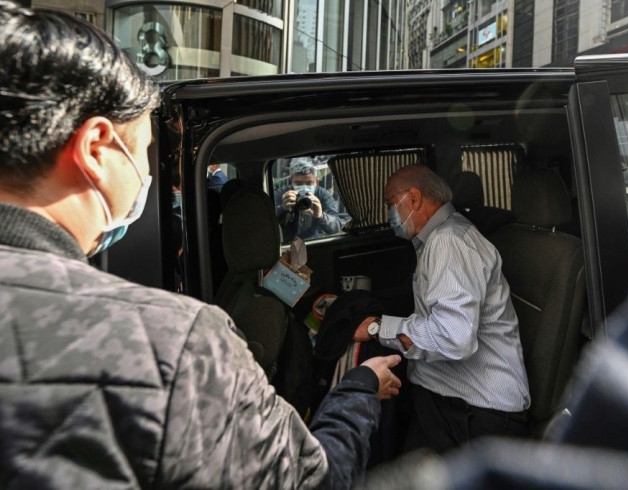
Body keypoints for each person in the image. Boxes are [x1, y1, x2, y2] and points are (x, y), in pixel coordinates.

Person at [0, 3, 401, 488]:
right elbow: (313, 480)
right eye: (145, 150)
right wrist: (357, 391)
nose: (149, 175)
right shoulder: (176, 345)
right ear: (96, 148)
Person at [353, 165, 530, 453]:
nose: (389, 215)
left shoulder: (450, 242)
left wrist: (376, 328)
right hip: (448, 398)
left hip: (474, 414)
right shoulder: (436, 240)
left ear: (413, 198)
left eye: (390, 204)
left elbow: (453, 337)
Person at [274, 157, 342, 242]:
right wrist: (282, 208)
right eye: (298, 183)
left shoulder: (322, 194)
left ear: (316, 182)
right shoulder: (282, 194)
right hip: (288, 244)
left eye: (309, 183)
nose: (304, 188)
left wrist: (320, 215)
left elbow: (336, 226)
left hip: (314, 243)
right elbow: (267, 220)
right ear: (291, 181)